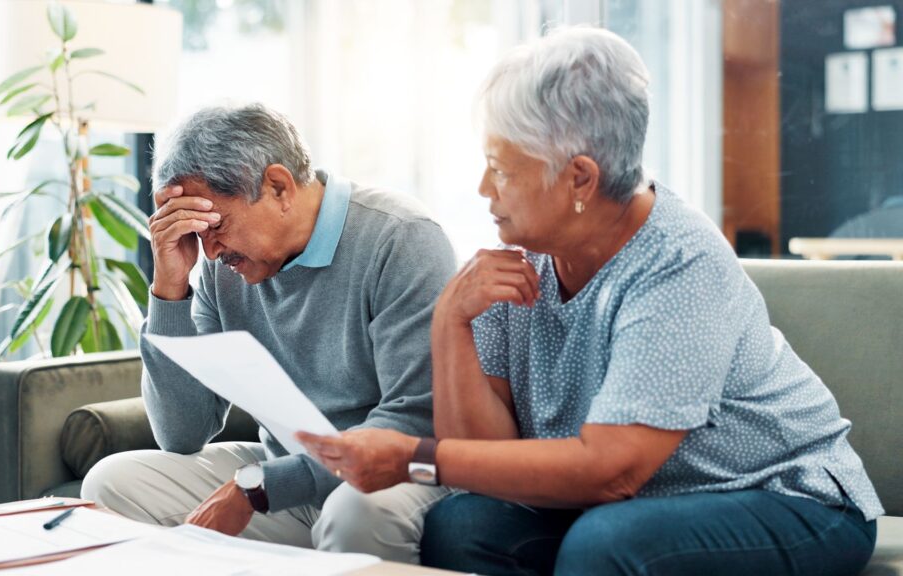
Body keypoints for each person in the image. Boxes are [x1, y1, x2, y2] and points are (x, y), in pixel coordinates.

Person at [297, 27, 883, 576]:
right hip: (643, 501)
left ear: (579, 178)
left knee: (606, 543)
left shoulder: (680, 263)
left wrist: (412, 458)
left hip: (786, 498)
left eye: (500, 169)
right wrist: (450, 322)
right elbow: (485, 463)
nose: (483, 189)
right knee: (461, 526)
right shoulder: (525, 254)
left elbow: (613, 470)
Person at [81, 103, 456, 563]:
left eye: (214, 226)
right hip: (286, 474)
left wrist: (260, 489)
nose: (211, 251)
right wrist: (169, 288)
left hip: (392, 476)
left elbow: (415, 418)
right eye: (196, 234)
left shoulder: (400, 238)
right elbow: (181, 433)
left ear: (278, 186)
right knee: (113, 482)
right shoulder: (225, 271)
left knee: (353, 512)